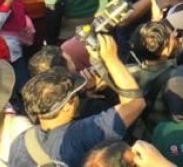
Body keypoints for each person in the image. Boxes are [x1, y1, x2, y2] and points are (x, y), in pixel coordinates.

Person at [8, 30, 146, 166]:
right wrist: (111, 60)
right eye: (74, 95)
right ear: (68, 106)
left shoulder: (20, 142)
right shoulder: (82, 134)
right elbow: (136, 103)